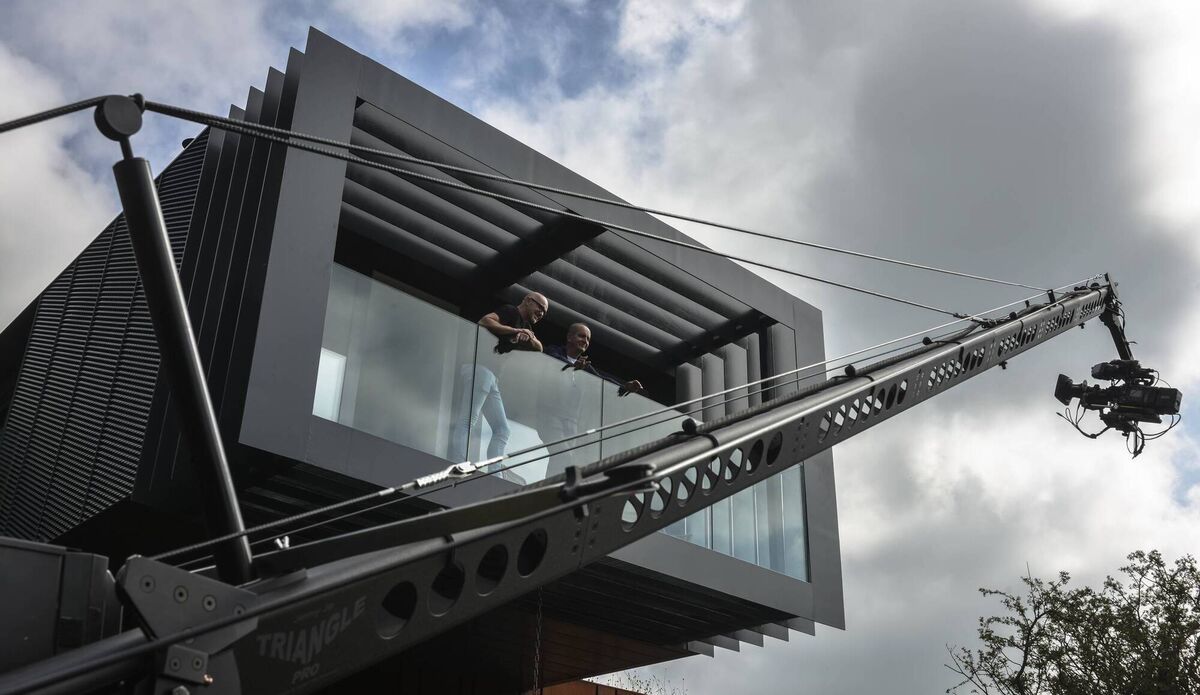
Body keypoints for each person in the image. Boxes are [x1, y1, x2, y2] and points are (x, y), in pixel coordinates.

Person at [447, 292, 549, 464]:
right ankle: (459, 463)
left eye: (544, 313)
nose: (541, 314)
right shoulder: (510, 312)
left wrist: (526, 336)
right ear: (527, 301)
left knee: (502, 430)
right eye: (540, 308)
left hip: (491, 377)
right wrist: (516, 331)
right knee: (469, 419)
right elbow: (485, 320)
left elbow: (539, 348)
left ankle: (495, 472)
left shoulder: (526, 327)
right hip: (479, 369)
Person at [539, 322, 643, 478]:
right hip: (550, 415)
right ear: (569, 337)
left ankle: (546, 490)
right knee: (564, 456)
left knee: (562, 459)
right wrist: (571, 367)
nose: (585, 341)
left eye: (587, 339)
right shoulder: (554, 352)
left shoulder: (586, 367)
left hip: (571, 421)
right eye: (581, 336)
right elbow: (551, 362)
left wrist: (624, 387)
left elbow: (602, 382)